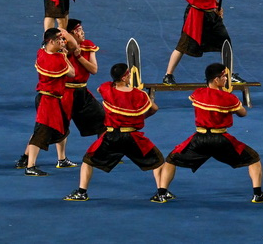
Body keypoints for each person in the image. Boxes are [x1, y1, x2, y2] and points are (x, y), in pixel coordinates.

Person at [157, 62, 263, 203]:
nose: (227, 80)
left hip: (199, 139)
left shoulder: (198, 93)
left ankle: (161, 194)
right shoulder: (229, 98)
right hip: (221, 139)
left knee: (171, 159)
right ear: (216, 79)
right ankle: (257, 195)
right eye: (224, 77)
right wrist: (229, 98)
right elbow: (243, 113)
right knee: (254, 159)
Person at [63, 63, 165, 202]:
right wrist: (142, 98)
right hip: (132, 137)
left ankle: (81, 192)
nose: (129, 76)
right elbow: (154, 108)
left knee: (87, 161)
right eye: (128, 74)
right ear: (124, 77)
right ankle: (161, 193)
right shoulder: (139, 95)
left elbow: (100, 89)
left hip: (111, 136)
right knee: (158, 161)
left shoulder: (106, 88)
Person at [16, 28, 76, 176]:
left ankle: (26, 158)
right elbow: (72, 73)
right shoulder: (56, 60)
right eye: (60, 40)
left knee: (57, 129)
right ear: (51, 41)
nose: (63, 42)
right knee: (41, 132)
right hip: (48, 101)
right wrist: (65, 56)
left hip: (49, 99)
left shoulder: (42, 52)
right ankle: (30, 166)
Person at [62, 19, 105, 141]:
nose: (83, 33)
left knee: (103, 120)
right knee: (56, 127)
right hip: (65, 93)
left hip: (82, 92)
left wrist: (79, 56)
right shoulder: (62, 47)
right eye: (79, 30)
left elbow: (94, 70)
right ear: (70, 34)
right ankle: (28, 156)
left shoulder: (88, 45)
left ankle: (101, 153)